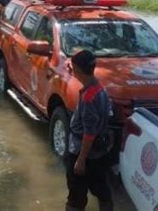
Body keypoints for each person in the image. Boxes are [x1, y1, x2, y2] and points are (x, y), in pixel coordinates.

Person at [65, 49, 113, 211]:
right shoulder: (100, 89)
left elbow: (89, 132)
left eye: (72, 69)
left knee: (76, 195)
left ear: (78, 70)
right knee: (102, 191)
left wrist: (81, 159)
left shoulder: (88, 97)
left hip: (83, 151)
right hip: (100, 152)